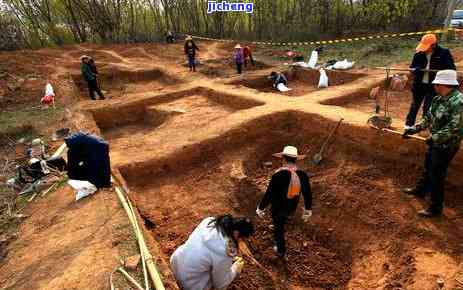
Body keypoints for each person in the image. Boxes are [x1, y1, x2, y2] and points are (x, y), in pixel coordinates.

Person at [403, 70, 463, 217]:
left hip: (447, 145)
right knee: (428, 165)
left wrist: (435, 137)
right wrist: (414, 129)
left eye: (436, 83)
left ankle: (435, 207)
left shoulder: (459, 102)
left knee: (437, 174)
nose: (434, 85)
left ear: (443, 84)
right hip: (435, 142)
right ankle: (421, 190)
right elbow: (428, 118)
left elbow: (456, 127)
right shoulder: (438, 99)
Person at [256, 146, 313, 258]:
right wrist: (307, 210)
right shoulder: (302, 175)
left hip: (278, 208)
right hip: (292, 207)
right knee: (281, 221)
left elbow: (269, 194)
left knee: (279, 228)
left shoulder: (278, 175)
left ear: (283, 159)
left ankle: (280, 250)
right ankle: (283, 222)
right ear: (295, 160)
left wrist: (261, 207)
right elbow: (307, 194)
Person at [170, 215, 254, 290]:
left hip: (175, 263)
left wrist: (226, 261)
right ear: (236, 233)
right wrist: (235, 269)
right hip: (189, 284)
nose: (240, 242)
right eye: (242, 239)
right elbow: (220, 284)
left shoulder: (209, 221)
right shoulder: (225, 252)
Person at [405, 34, 456, 130]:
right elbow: (412, 67)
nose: (424, 49)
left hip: (434, 85)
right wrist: (416, 69)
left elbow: (451, 68)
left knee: (428, 107)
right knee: (415, 105)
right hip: (419, 84)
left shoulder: (444, 53)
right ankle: (408, 125)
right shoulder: (418, 53)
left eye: (427, 46)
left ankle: (423, 127)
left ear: (433, 45)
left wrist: (438, 70)